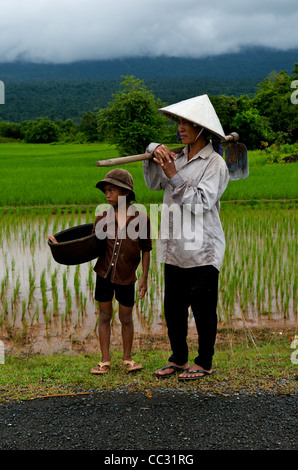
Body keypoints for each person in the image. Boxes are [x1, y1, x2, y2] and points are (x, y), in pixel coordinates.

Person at [143, 94, 229, 381]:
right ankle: (178, 359)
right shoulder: (176, 157)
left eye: (187, 122)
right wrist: (154, 150)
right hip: (173, 247)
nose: (180, 127)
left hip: (201, 249)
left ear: (202, 129)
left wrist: (173, 174)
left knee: (204, 311)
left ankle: (204, 362)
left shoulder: (214, 164)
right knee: (174, 310)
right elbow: (155, 183)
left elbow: (200, 203)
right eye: (179, 121)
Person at [90, 168, 152, 374]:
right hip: (104, 275)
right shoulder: (102, 218)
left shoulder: (141, 219)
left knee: (126, 318)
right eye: (105, 191)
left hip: (127, 278)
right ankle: (105, 359)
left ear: (125, 192)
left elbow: (146, 250)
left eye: (112, 190)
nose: (107, 195)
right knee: (105, 315)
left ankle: (127, 358)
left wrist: (143, 277)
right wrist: (61, 245)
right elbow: (89, 245)